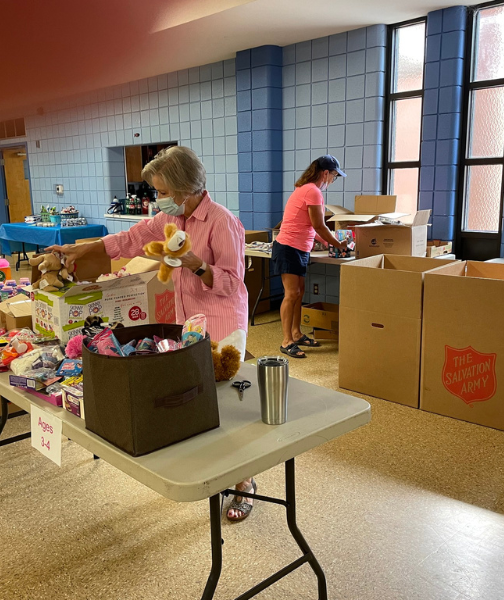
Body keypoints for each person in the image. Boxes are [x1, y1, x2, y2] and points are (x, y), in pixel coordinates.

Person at [47, 146, 258, 521]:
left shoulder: (222, 222)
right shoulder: (168, 218)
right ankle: (210, 468)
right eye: (158, 192)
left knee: (225, 404)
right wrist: (79, 250)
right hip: (189, 321)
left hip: (222, 322)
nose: (160, 200)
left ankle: (245, 482)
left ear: (186, 187)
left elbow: (230, 283)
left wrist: (196, 265)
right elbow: (128, 239)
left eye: (164, 191)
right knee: (195, 396)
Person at [272, 155, 347, 359]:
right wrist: (337, 243)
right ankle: (286, 341)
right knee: (291, 294)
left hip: (299, 248)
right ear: (325, 173)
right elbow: (319, 225)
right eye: (334, 175)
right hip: (288, 247)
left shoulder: (308, 190)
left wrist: (325, 242)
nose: (333, 179)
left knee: (299, 292)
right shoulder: (312, 191)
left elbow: (309, 225)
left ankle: (296, 334)